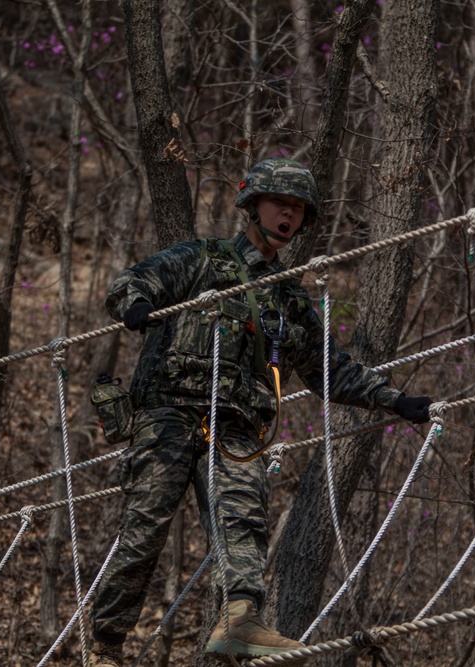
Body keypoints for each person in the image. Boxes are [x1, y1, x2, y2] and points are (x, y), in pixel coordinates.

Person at [89, 158, 432, 665]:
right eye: (280, 204)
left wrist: (396, 400)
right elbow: (128, 284)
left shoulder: (288, 299)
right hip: (169, 413)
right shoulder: (203, 260)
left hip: (237, 426)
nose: (288, 216)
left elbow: (331, 371)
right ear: (253, 206)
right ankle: (106, 645)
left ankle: (241, 620)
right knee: (146, 527)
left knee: (244, 516)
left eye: (297, 209)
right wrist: (138, 306)